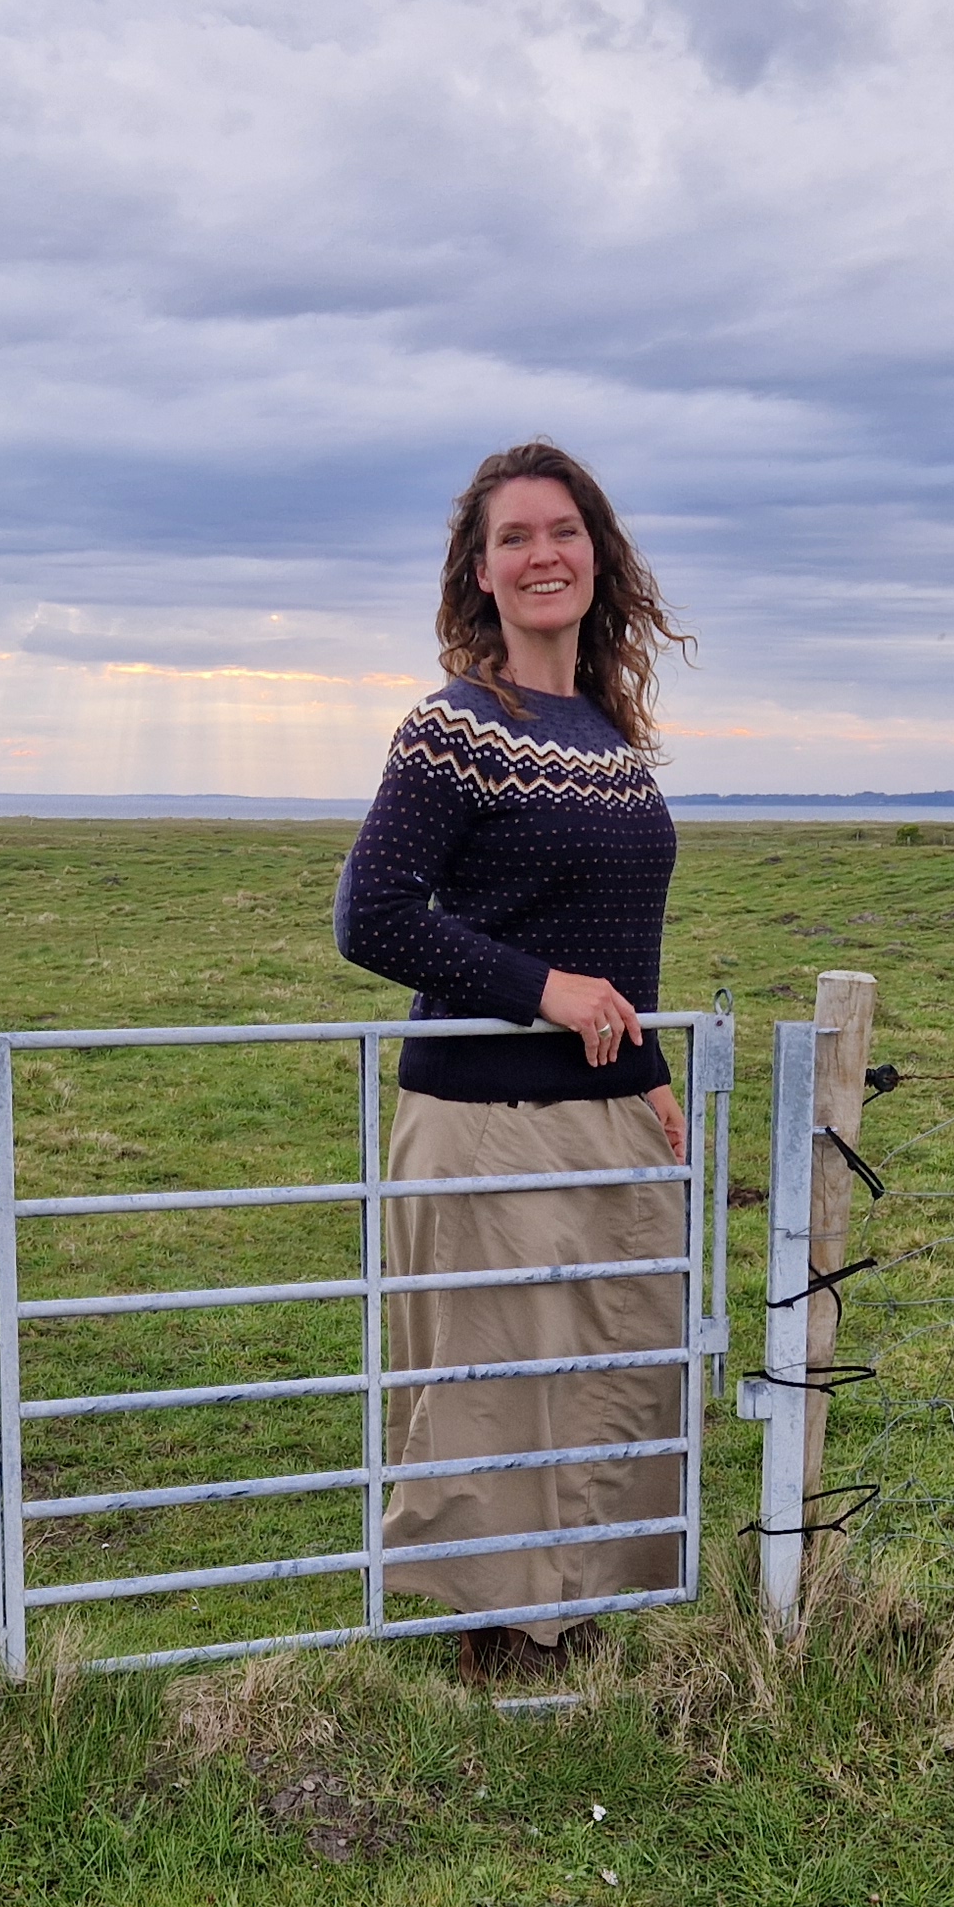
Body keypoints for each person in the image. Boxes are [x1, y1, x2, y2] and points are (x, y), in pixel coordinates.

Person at [334, 441, 690, 1672]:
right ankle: (501, 1635)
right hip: (487, 1112)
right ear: (479, 574)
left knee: (606, 1352)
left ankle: (574, 1607)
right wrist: (545, 993)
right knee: (501, 1371)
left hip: (601, 1110)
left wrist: (642, 1064)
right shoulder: (455, 729)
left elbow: (614, 938)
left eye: (563, 532)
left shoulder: (605, 733)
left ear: (599, 555)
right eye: (515, 539)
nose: (543, 555)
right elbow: (372, 917)